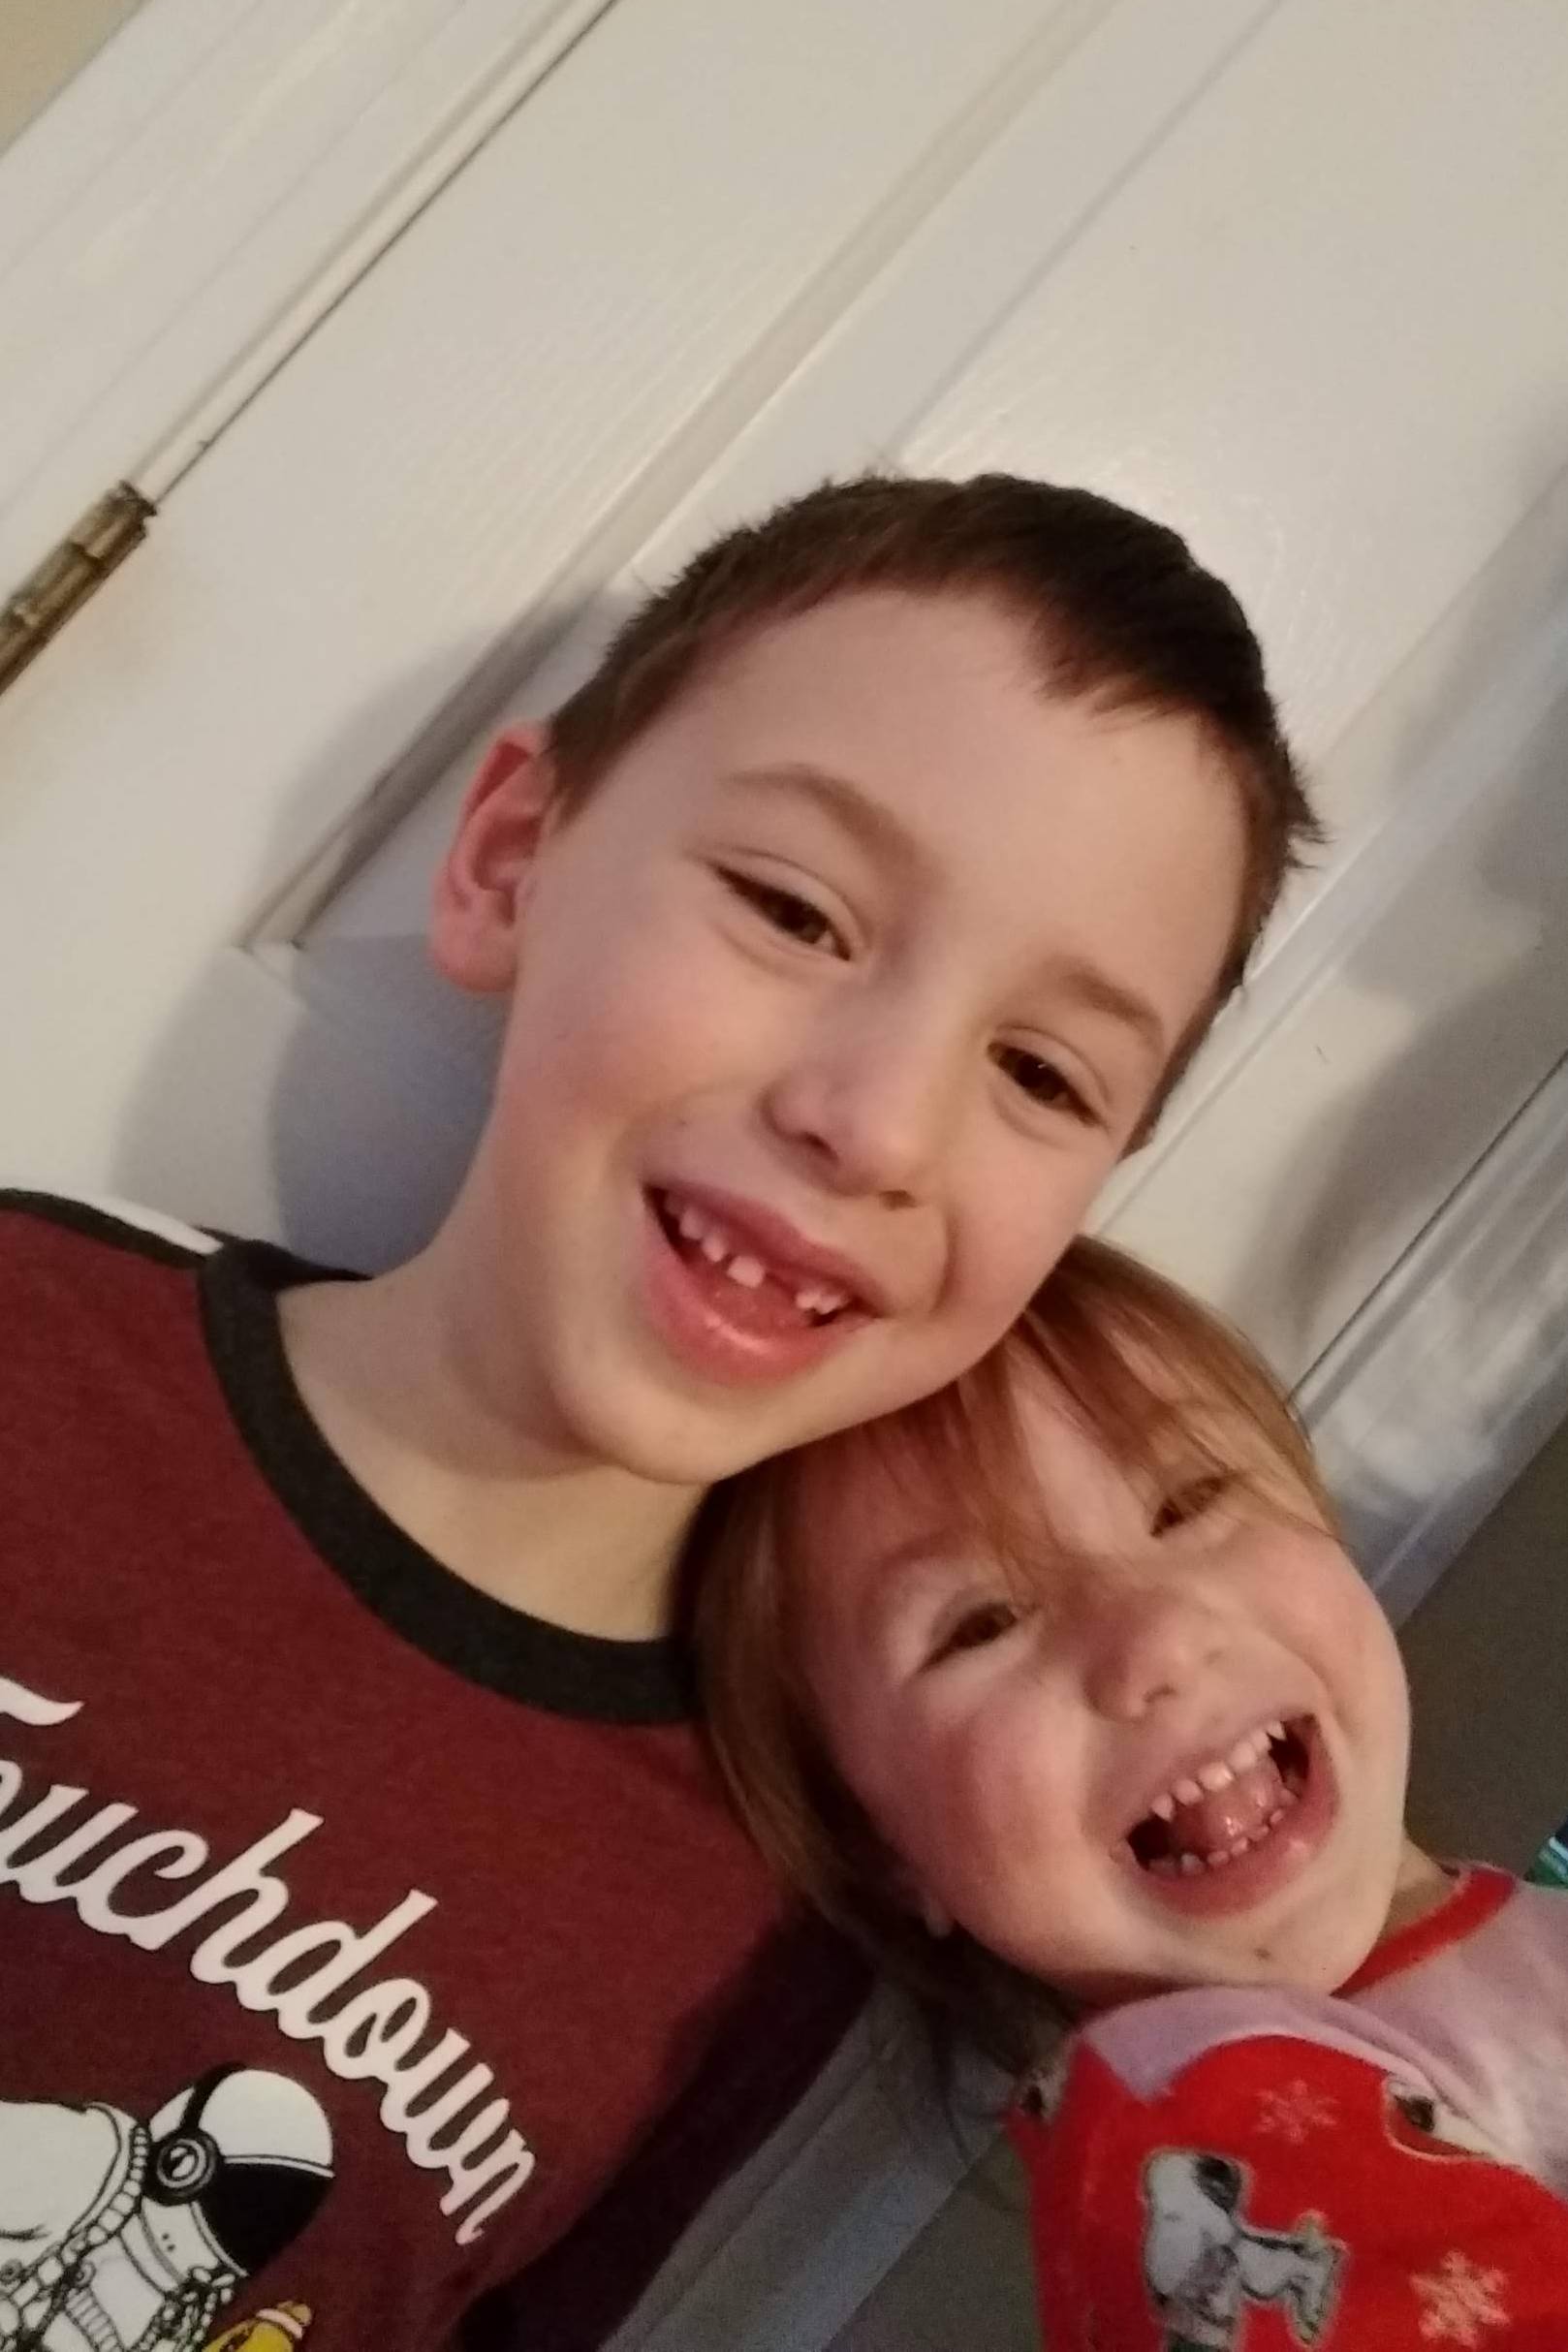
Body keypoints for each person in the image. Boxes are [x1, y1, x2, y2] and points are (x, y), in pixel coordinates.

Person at [0, 472, 1314, 2352]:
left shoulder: (770, 1896)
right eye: (792, 909)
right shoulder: (31, 1331)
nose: (874, 1121)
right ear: (509, 860)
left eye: (1039, 1072)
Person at [698, 1238, 1568, 2349]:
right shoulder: (1189, 2121)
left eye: (1191, 1499)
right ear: (882, 1851)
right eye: (983, 1622)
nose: (1152, 1637)